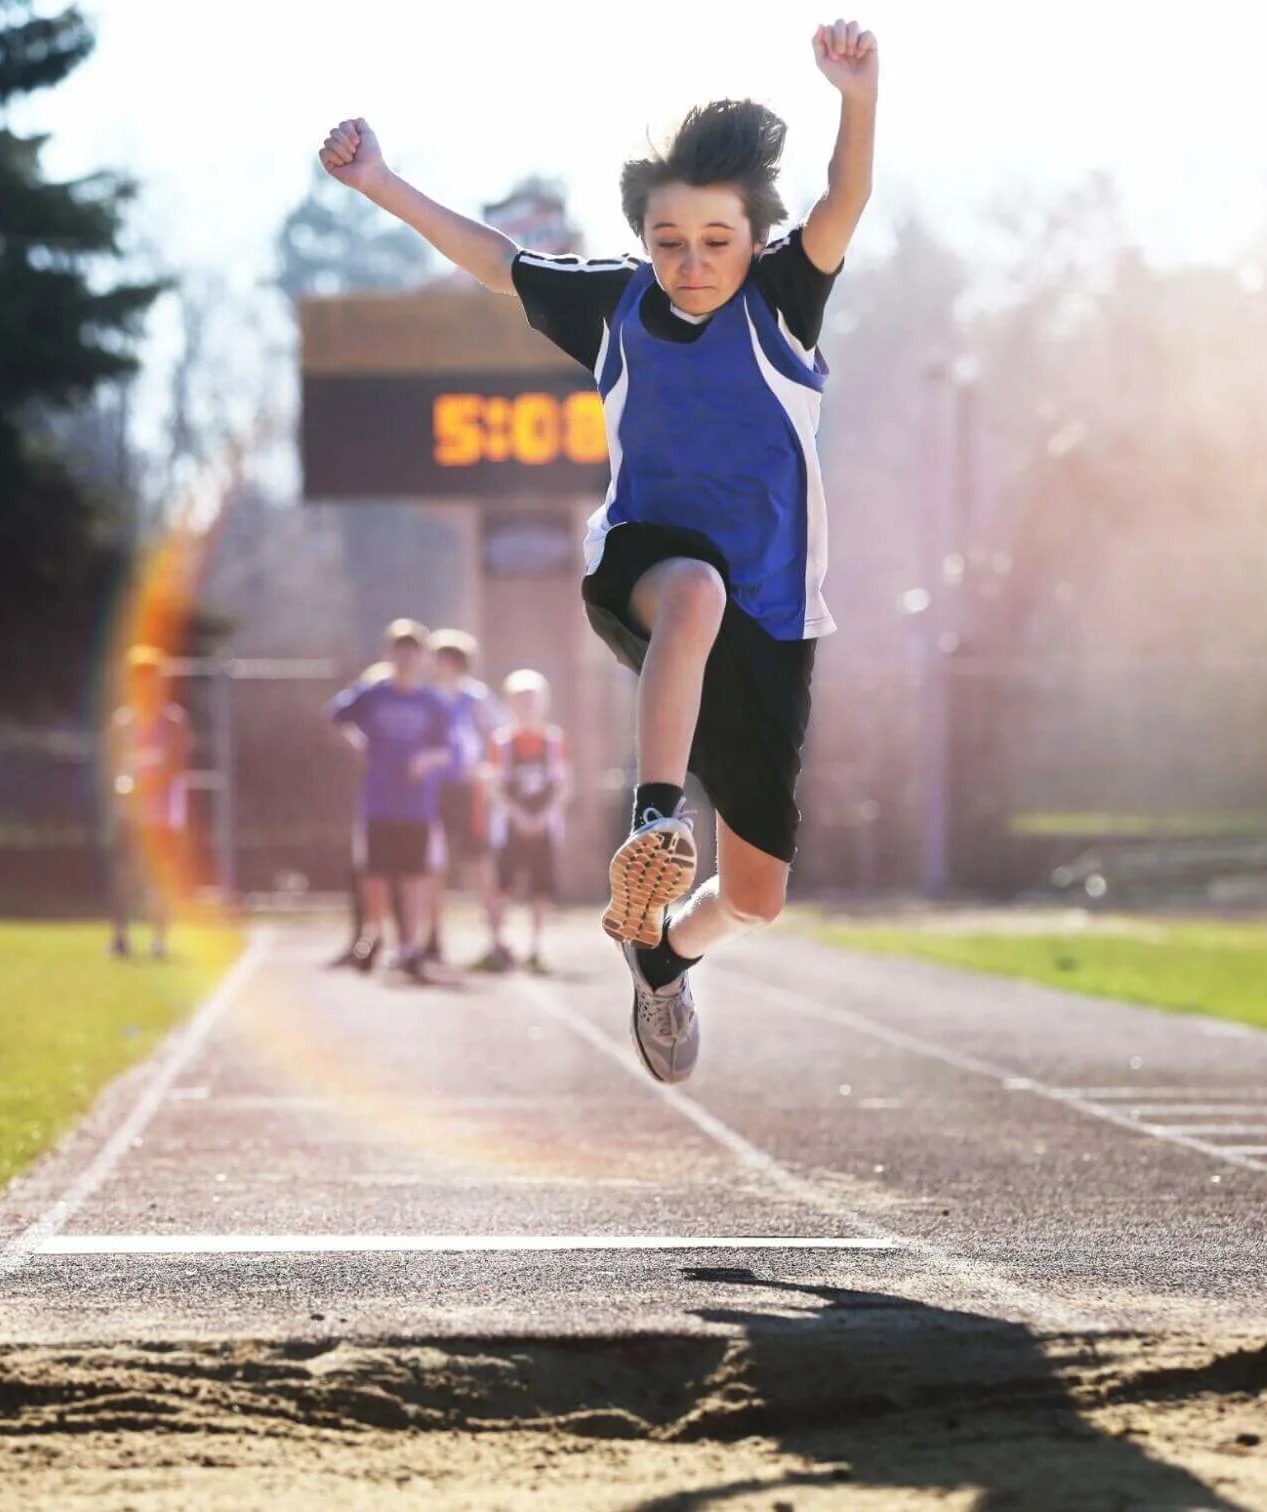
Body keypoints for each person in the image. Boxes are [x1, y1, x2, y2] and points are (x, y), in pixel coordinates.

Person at [318, 19, 878, 1080]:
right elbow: (495, 260)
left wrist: (858, 94)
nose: (690, 263)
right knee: (696, 589)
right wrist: (381, 182)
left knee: (758, 896)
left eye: (714, 241)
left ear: (753, 239)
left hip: (774, 615)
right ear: (643, 239)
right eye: (668, 241)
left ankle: (661, 954)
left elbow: (841, 203)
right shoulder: (615, 305)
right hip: (644, 571)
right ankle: (653, 828)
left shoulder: (781, 300)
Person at [326, 621, 452, 984]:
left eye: (414, 653)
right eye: (400, 652)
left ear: (423, 658)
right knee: (375, 875)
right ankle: (374, 935)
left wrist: (427, 760)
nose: (407, 659)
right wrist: (356, 742)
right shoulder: (373, 694)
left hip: (417, 806)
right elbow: (336, 716)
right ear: (389, 655)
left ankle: (409, 947)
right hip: (379, 800)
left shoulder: (431, 702)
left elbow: (448, 751)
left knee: (414, 877)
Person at [481, 669, 573, 972]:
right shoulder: (502, 742)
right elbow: (494, 786)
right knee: (501, 884)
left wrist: (542, 817)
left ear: (544, 702)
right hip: (510, 825)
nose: (527, 705)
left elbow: (563, 785)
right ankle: (497, 944)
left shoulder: (553, 740)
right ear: (509, 703)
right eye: (520, 699)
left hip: (544, 825)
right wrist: (519, 816)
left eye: (532, 699)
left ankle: (536, 947)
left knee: (540, 887)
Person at [107, 645, 190, 960]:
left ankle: (159, 939)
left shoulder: (173, 721)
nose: (145, 685)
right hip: (129, 814)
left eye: (150, 678)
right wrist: (125, 787)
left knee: (160, 877)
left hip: (161, 816)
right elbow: (115, 766)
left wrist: (147, 785)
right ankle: (120, 938)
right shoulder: (123, 722)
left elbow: (176, 765)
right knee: (125, 875)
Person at [423, 629, 497, 967]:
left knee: (481, 862)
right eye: (439, 658)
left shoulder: (476, 697)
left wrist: (485, 769)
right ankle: (433, 938)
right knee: (434, 864)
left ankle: (495, 939)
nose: (443, 665)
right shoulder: (426, 698)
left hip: (469, 792)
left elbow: (501, 735)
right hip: (435, 791)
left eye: (450, 658)